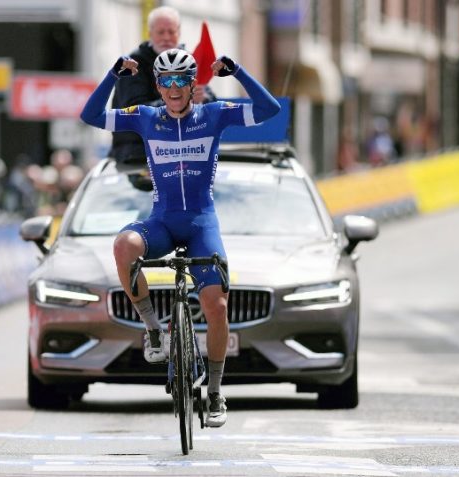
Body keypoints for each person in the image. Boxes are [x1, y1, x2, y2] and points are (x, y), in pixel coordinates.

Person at [80, 48, 280, 427]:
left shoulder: (214, 115)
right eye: (166, 81)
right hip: (162, 222)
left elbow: (269, 109)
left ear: (193, 85)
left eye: (181, 80)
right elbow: (90, 115)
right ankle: (155, 330)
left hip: (202, 223)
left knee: (217, 307)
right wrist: (113, 74)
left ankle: (217, 392)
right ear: (158, 85)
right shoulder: (145, 118)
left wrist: (237, 71)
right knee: (124, 245)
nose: (173, 88)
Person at [109, 6, 215, 162]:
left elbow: (211, 101)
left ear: (179, 33)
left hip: (183, 152)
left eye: (171, 32)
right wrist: (183, 101)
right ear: (150, 33)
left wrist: (204, 98)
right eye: (160, 32)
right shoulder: (132, 65)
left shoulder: (188, 61)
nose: (166, 37)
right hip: (137, 153)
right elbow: (134, 111)